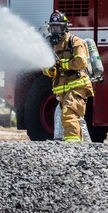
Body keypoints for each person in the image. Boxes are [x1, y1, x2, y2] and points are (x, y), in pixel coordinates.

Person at [42, 11, 94, 142]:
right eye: (52, 27)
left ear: (64, 27)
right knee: (76, 118)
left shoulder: (75, 42)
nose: (54, 30)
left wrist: (63, 65)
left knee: (69, 113)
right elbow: (45, 67)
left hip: (78, 85)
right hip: (63, 88)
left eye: (57, 27)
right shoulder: (51, 45)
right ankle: (87, 147)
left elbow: (81, 62)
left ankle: (72, 146)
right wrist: (50, 70)